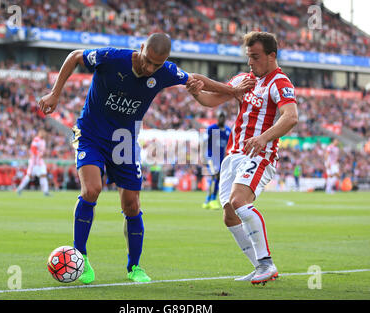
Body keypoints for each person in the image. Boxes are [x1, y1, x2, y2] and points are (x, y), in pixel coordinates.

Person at [38, 33, 255, 284]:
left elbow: (197, 80)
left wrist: (232, 90)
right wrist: (55, 93)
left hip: (124, 140)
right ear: (141, 48)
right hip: (91, 134)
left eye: (157, 65)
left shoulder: (165, 72)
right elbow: (75, 56)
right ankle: (81, 256)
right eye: (147, 61)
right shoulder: (112, 57)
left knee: (132, 205)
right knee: (92, 190)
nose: (150, 68)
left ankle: (134, 267)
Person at [187, 31, 298, 285]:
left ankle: (267, 264)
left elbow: (290, 117)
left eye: (255, 57)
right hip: (233, 155)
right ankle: (260, 266)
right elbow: (210, 101)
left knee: (239, 201)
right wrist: (195, 93)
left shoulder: (280, 82)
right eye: (249, 57)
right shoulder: (243, 79)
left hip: (260, 154)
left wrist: (263, 139)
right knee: (229, 214)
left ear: (272, 56)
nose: (250, 63)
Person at [202, 110, 231, 210]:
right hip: (210, 156)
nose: (222, 119)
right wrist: (203, 156)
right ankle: (213, 200)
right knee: (215, 175)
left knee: (217, 178)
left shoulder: (228, 131)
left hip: (220, 158)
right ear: (217, 118)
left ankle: (208, 200)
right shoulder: (211, 128)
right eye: (220, 117)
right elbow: (204, 142)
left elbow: (228, 146)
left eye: (223, 117)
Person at [16, 129, 50, 196]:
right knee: (29, 176)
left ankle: (45, 191)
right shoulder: (36, 139)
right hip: (34, 162)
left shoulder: (43, 141)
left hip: (40, 161)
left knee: (43, 175)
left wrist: (43, 154)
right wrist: (38, 153)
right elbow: (33, 148)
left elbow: (42, 151)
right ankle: (19, 188)